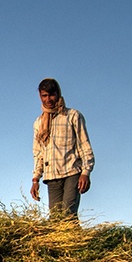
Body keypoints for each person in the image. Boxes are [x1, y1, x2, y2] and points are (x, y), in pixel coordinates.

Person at [30, 78, 95, 218]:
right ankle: (76, 239)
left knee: (68, 214)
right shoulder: (39, 123)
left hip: (72, 172)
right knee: (56, 219)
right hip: (52, 176)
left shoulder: (72, 116)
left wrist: (86, 172)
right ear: (40, 96)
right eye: (44, 96)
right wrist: (35, 179)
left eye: (51, 95)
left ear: (58, 94)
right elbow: (38, 153)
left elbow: (84, 145)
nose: (48, 99)